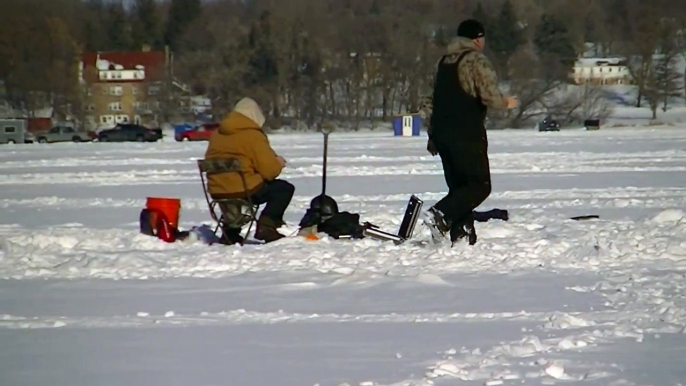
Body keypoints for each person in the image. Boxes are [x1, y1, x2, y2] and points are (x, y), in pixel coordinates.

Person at [420, 19, 518, 246]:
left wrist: (432, 134)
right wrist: (507, 103)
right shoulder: (476, 61)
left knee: (459, 188)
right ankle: (439, 214)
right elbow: (489, 96)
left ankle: (462, 236)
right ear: (477, 39)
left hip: (441, 133)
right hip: (465, 132)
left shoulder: (442, 62)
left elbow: (429, 101)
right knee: (479, 185)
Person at [205, 97, 294, 244]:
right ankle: (266, 226)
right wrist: (278, 162)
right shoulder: (252, 135)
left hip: (217, 190)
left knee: (233, 188)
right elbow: (269, 172)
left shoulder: (216, 135)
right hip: (245, 190)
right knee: (283, 189)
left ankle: (231, 232)